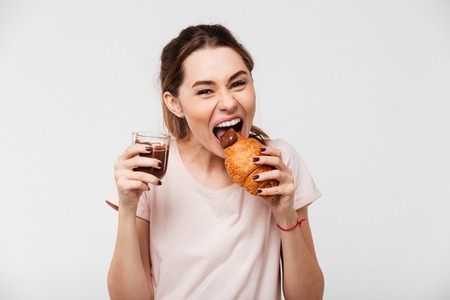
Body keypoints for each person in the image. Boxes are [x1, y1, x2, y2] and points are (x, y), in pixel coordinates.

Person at [106, 24, 324, 300]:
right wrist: (128, 209)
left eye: (238, 83)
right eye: (205, 91)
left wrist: (286, 215)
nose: (228, 103)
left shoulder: (279, 163)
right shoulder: (152, 167)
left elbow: (309, 298)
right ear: (175, 104)